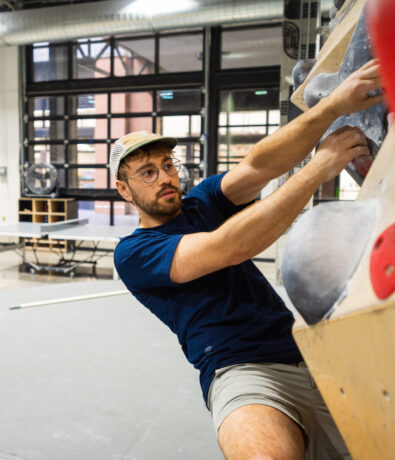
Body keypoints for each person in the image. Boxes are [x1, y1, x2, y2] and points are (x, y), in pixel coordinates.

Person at [111, 59, 382, 460]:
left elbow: (259, 164)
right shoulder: (133, 252)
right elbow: (227, 247)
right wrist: (319, 167)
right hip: (242, 372)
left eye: (168, 165)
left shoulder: (201, 202)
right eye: (147, 173)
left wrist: (332, 106)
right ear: (124, 189)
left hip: (308, 357)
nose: (165, 178)